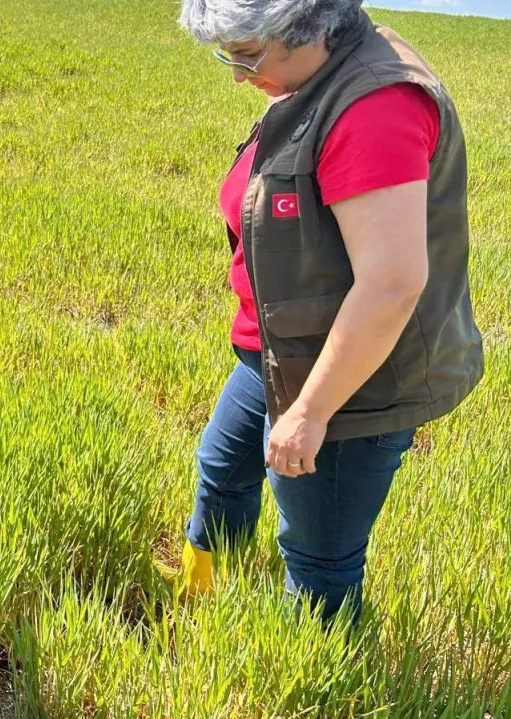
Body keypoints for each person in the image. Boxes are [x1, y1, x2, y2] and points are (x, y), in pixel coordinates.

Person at [170, 0, 483, 624]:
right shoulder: (314, 72)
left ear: (308, 27)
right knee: (222, 471)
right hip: (278, 350)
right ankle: (205, 597)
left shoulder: (375, 107)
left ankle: (311, 663)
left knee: (318, 555)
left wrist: (310, 414)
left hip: (351, 377)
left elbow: (391, 283)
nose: (237, 74)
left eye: (248, 54)